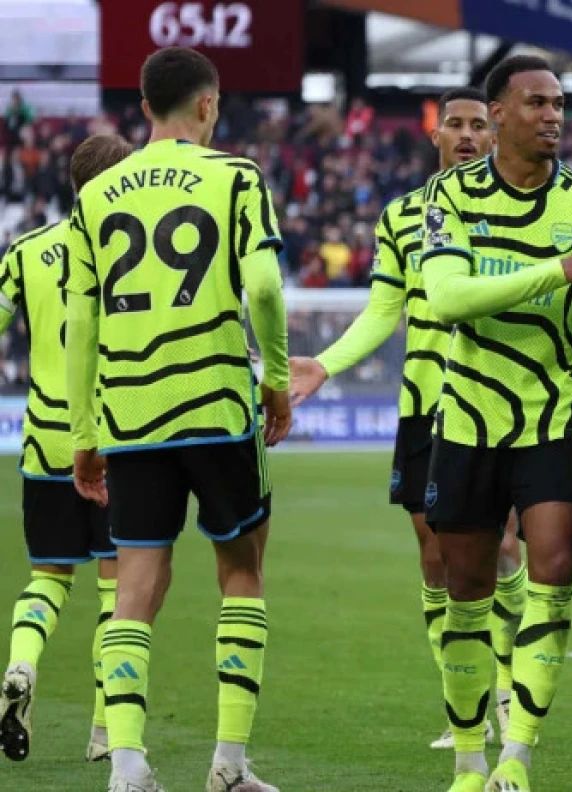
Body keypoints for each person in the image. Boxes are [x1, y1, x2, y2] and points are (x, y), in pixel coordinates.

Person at [63, 47, 291, 792]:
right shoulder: (234, 176)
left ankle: (127, 765)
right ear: (207, 105)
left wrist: (83, 435)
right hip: (217, 407)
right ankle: (229, 763)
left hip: (131, 417)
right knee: (242, 573)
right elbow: (261, 283)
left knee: (134, 585)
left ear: (142, 104)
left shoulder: (96, 195)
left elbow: (82, 324)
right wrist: (279, 380)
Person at [418, 54, 572, 792]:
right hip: (467, 422)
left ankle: (516, 756)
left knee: (553, 574)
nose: (552, 114)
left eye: (558, 103)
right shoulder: (448, 198)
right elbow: (449, 300)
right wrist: (560, 270)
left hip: (551, 417)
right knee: (467, 595)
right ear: (500, 114)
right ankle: (467, 759)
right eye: (537, 102)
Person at [287, 86, 528, 749]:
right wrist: (327, 365)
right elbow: (382, 311)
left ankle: (509, 691)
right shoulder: (403, 216)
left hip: (497, 402)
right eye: (455, 124)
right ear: (436, 135)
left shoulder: (519, 204)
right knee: (434, 561)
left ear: (497, 131)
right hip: (426, 407)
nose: (468, 135)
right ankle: (467, 706)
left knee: (501, 548)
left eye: (480, 124)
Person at [0, 133, 132, 766]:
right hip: (114, 439)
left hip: (42, 439)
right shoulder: (132, 255)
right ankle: (105, 734)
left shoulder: (24, 251)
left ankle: (22, 662)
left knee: (47, 579)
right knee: (118, 594)